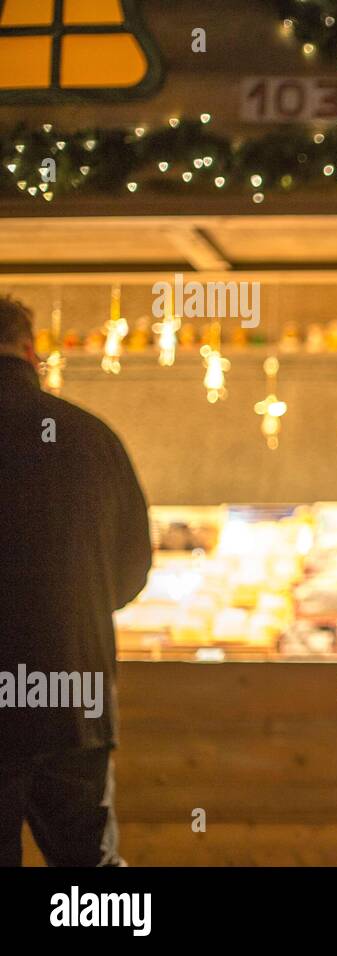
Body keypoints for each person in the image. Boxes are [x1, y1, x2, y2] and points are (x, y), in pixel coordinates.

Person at [0, 293, 153, 866]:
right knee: (88, 869)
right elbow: (131, 572)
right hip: (73, 697)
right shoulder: (91, 437)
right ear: (30, 349)